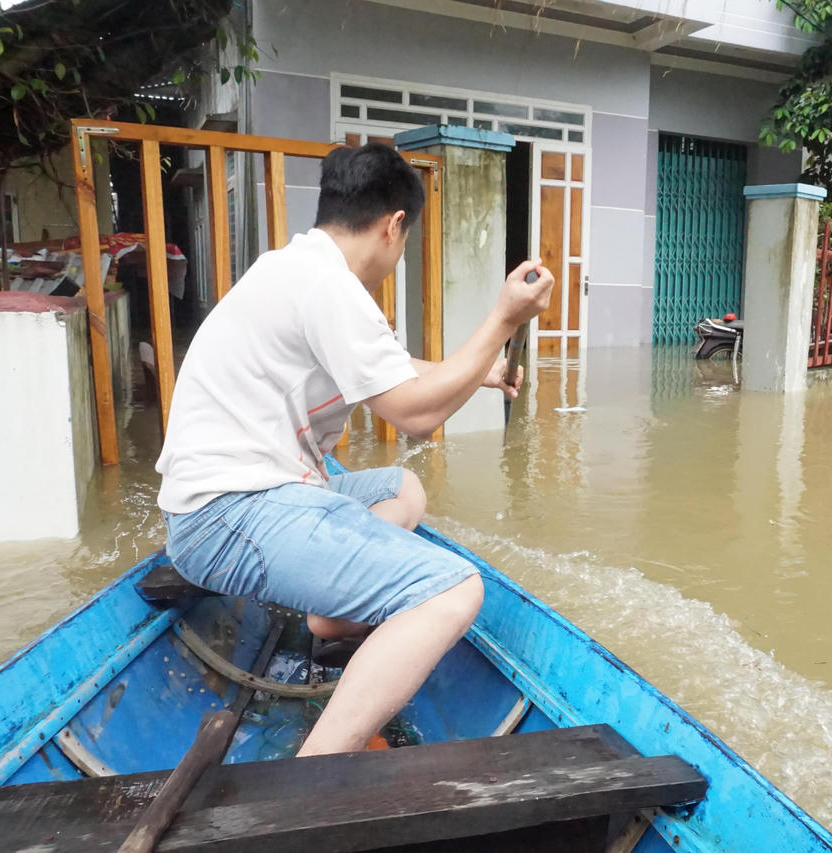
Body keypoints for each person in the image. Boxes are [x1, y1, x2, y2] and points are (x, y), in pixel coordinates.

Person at [155, 143, 555, 756]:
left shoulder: (298, 267)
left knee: (402, 487)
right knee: (453, 588)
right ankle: (313, 768)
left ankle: (331, 619)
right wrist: (503, 319)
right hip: (230, 514)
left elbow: (392, 372)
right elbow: (417, 412)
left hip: (252, 497)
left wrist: (482, 372)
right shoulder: (327, 287)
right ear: (395, 225)